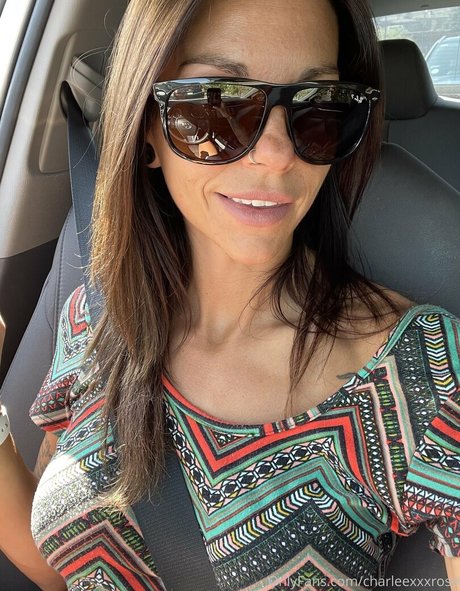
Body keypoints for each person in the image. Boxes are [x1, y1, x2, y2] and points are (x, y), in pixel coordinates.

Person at [0, 0, 459, 590]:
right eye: (217, 104)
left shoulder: (418, 367)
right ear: (147, 128)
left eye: (318, 107)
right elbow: (63, 566)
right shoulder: (94, 317)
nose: (277, 154)